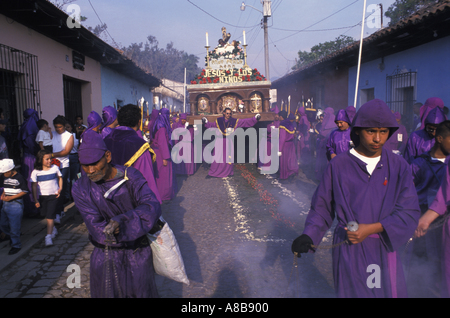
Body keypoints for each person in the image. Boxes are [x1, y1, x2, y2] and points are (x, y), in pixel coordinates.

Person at [291, 99, 421, 298]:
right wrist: (309, 234)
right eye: (371, 131)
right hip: (349, 247)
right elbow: (322, 207)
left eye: (384, 131)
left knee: (382, 292)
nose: (378, 139)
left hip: (383, 247)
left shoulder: (398, 166)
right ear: (358, 130)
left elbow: (409, 210)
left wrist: (373, 228)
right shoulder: (339, 165)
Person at [72, 130, 161, 298]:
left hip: (137, 253)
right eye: (85, 165)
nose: (90, 171)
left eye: (95, 163)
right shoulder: (80, 187)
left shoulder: (131, 176)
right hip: (106, 256)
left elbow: (151, 206)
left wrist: (124, 222)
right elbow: (97, 228)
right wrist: (118, 229)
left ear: (107, 156)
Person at [408, 120, 450, 296]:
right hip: (424, 214)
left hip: (442, 218)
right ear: (439, 139)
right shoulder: (419, 162)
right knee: (422, 255)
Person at [104, 104, 162, 204]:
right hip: (129, 200)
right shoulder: (139, 146)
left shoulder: (105, 140)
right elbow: (146, 178)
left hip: (106, 197)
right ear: (139, 122)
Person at [202, 107, 260, 178]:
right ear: (224, 113)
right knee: (217, 157)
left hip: (228, 141)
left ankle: (227, 172)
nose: (228, 115)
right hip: (219, 142)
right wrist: (206, 122)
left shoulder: (234, 121)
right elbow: (211, 125)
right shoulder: (219, 120)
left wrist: (255, 118)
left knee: (227, 158)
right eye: (227, 113)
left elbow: (245, 122)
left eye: (230, 113)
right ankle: (213, 173)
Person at [31, 150, 63, 247]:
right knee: (46, 214)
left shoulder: (55, 168)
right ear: (41, 160)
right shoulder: (36, 172)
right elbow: (34, 186)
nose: (49, 161)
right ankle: (53, 229)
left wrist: (60, 188)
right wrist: (36, 199)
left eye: (50, 159)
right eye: (47, 159)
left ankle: (48, 237)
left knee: (50, 216)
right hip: (42, 197)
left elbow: (60, 177)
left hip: (53, 195)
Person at [0, 159, 29, 255]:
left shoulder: (19, 178)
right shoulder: (5, 178)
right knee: (3, 223)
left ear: (10, 171)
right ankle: (11, 235)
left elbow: (24, 191)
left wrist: (11, 198)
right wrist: (3, 194)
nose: (3, 175)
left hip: (15, 204)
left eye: (4, 173)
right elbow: (5, 187)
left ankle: (16, 244)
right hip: (6, 204)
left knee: (14, 226)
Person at [18, 109, 41, 217]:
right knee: (33, 182)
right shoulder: (30, 128)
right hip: (31, 157)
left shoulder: (25, 125)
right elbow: (31, 145)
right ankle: (33, 208)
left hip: (27, 157)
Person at [51, 115, 74, 223]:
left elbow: (66, 151)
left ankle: (58, 211)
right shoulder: (52, 134)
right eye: (56, 127)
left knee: (60, 189)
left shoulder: (69, 136)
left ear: (64, 126)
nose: (58, 129)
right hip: (51, 166)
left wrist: (52, 155)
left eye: (60, 127)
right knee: (53, 189)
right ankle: (56, 211)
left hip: (63, 166)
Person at [151, 108, 177, 200]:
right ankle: (164, 195)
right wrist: (165, 157)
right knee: (164, 176)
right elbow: (162, 143)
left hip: (158, 152)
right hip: (162, 154)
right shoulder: (162, 127)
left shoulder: (157, 124)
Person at [314, 107, 335, 180]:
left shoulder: (333, 124)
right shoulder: (325, 122)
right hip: (322, 146)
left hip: (328, 147)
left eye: (326, 114)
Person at [278, 110, 298, 181]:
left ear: (281, 117)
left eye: (278, 116)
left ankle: (285, 176)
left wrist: (279, 149)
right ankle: (292, 172)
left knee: (284, 161)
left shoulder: (283, 124)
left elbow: (282, 138)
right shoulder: (289, 123)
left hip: (285, 145)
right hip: (291, 144)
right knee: (291, 159)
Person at [65, 121, 80, 196]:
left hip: (74, 156)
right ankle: (67, 195)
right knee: (67, 177)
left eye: (68, 127)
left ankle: (74, 194)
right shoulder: (63, 136)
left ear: (71, 128)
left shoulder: (75, 136)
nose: (67, 129)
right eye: (65, 127)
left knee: (74, 177)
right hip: (66, 157)